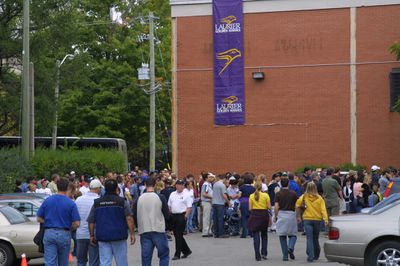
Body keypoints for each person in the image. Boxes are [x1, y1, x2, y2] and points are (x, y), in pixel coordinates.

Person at [88, 179, 136, 266]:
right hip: (119, 236)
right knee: (122, 262)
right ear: (116, 189)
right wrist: (132, 233)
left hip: (103, 236)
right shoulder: (122, 202)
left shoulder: (97, 203)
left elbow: (91, 220)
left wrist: (91, 235)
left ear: (105, 188)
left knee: (105, 262)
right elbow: (129, 218)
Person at [36, 177, 81, 266]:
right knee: (63, 262)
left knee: (49, 262)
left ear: (57, 186)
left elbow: (38, 218)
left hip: (49, 232)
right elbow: (77, 223)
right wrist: (69, 227)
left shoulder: (48, 200)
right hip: (64, 233)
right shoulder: (71, 203)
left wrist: (48, 222)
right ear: (67, 187)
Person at [137, 176, 170, 266]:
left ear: (145, 185)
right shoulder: (160, 197)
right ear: (155, 184)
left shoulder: (139, 198)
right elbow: (167, 214)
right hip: (158, 228)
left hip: (144, 229)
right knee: (164, 255)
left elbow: (134, 214)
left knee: (146, 257)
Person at [296, 182, 328, 263]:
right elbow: (323, 210)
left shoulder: (303, 197)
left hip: (307, 219)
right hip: (317, 219)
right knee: (315, 238)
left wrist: (299, 216)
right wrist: (325, 219)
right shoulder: (319, 198)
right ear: (315, 188)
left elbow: (297, 205)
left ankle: (310, 256)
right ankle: (316, 254)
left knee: (309, 238)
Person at [75, 179, 101, 266]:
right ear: (97, 188)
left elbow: (75, 216)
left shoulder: (79, 199)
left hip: (80, 234)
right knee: (94, 261)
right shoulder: (98, 200)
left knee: (81, 261)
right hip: (93, 234)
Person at [274, 178, 298, 261]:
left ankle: (285, 256)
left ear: (281, 184)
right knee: (293, 234)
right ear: (288, 184)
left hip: (282, 214)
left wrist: (276, 216)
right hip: (291, 214)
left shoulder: (278, 194)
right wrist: (298, 216)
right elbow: (296, 206)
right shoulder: (293, 193)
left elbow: (276, 207)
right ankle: (290, 247)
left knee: (282, 235)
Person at [168, 179, 192, 260]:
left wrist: (185, 216)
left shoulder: (186, 195)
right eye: (179, 184)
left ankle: (177, 254)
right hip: (173, 216)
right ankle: (187, 251)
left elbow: (189, 207)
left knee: (178, 235)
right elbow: (169, 205)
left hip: (182, 215)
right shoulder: (172, 194)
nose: (180, 186)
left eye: (182, 184)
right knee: (177, 235)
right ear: (176, 185)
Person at [247, 182, 271, 261]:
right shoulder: (266, 195)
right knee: (264, 235)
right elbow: (269, 207)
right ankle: (264, 253)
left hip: (255, 215)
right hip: (264, 215)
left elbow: (250, 208)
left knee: (256, 235)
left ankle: (257, 255)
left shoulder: (251, 196)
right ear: (262, 187)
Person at [212, 174, 231, 238]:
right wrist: (228, 202)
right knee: (220, 219)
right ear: (224, 179)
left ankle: (216, 233)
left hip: (214, 203)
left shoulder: (215, 184)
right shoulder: (222, 185)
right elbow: (224, 195)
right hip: (220, 203)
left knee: (215, 219)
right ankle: (221, 233)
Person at [239, 173, 256, 238]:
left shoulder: (242, 187)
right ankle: (251, 233)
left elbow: (239, 195)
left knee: (244, 218)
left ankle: (244, 234)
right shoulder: (253, 188)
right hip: (251, 203)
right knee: (250, 218)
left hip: (243, 202)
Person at [200, 173, 214, 237]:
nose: (211, 178)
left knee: (209, 217)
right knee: (206, 217)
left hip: (209, 202)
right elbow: (204, 194)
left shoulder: (209, 184)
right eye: (210, 177)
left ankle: (209, 230)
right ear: (206, 178)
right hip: (206, 202)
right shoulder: (206, 185)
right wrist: (212, 197)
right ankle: (205, 232)